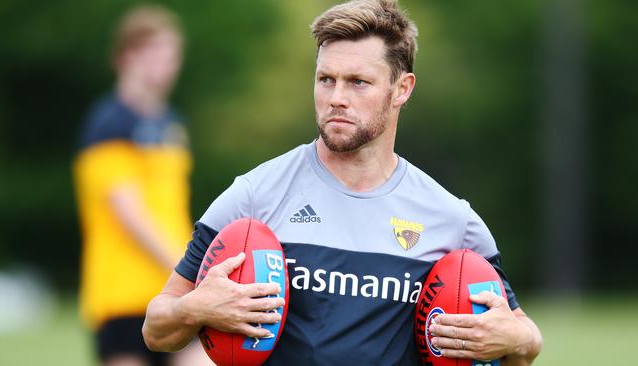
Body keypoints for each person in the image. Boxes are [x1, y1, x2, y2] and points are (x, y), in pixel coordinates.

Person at [142, 0, 543, 364]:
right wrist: (195, 309)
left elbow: (523, 338)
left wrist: (515, 340)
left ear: (402, 89)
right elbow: (156, 328)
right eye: (326, 80)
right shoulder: (254, 195)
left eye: (358, 82)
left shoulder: (452, 220)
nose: (336, 97)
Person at [73, 4, 209, 366]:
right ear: (127, 55)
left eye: (172, 53)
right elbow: (129, 214)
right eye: (156, 52)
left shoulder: (172, 125)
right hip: (123, 295)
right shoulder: (108, 123)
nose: (167, 63)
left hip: (175, 293)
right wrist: (190, 267)